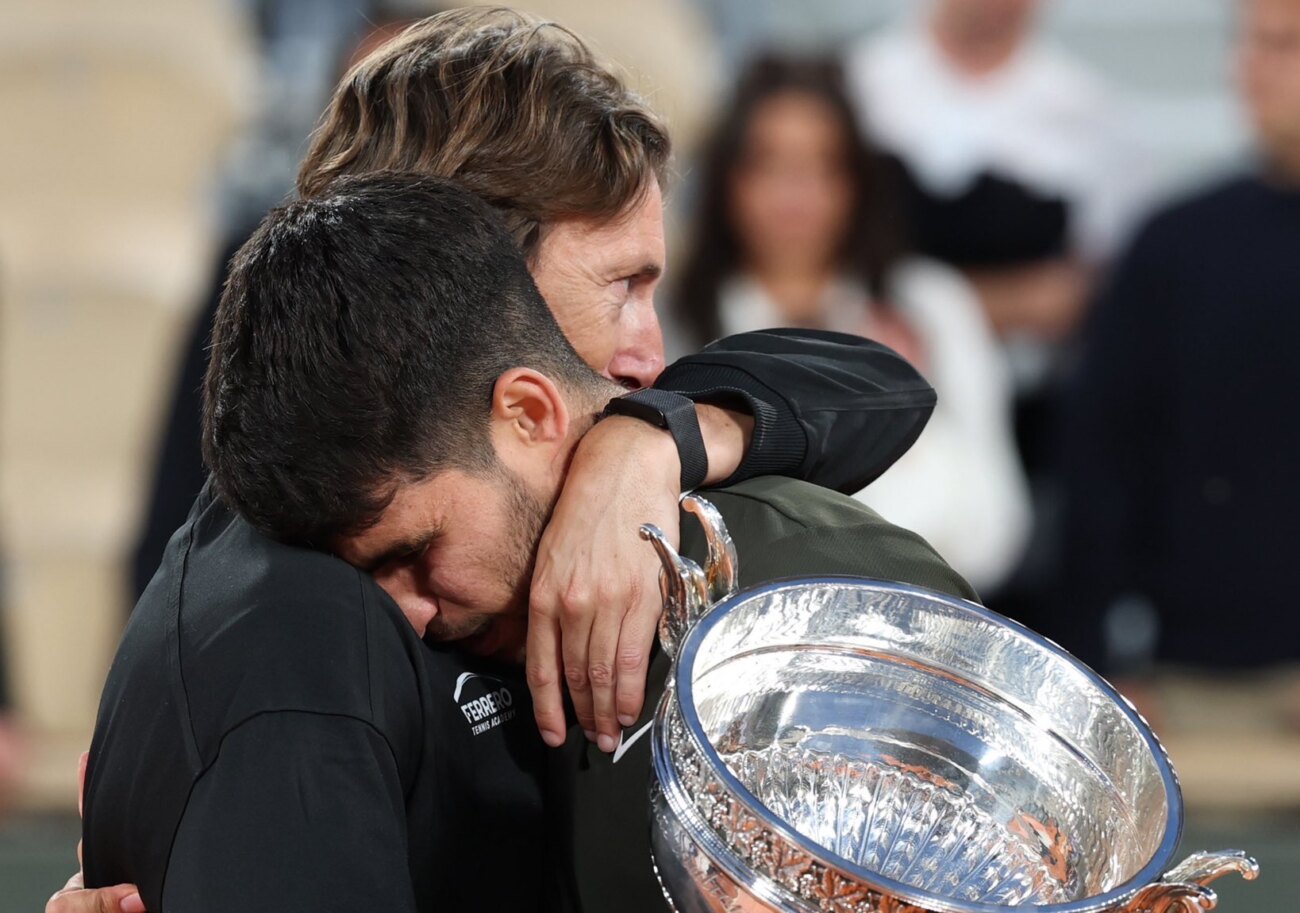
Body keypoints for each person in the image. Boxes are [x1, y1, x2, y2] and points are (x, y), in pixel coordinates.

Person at [51, 9, 944, 912]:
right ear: (470, 277)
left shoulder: (507, 474)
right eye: (622, 286)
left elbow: (881, 388)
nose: (650, 350)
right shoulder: (306, 637)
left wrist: (650, 440)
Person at [672, 53, 1028, 593]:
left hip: (931, 610)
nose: (795, 193)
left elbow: (996, 518)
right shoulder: (676, 313)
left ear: (857, 181)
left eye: (821, 166)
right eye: (770, 164)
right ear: (728, 179)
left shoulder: (930, 304)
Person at [1052, 0, 1300, 677]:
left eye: (1284, 46)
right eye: (1250, 44)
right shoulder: (1177, 243)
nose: (1252, 68)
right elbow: (1104, 461)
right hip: (1203, 675)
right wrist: (1101, 658)